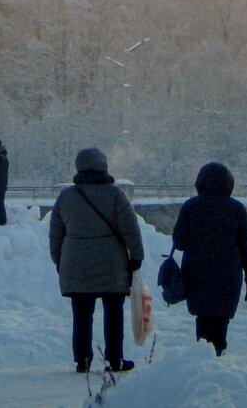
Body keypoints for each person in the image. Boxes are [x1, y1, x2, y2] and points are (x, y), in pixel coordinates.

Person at [49, 147, 144, 374]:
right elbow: (131, 229)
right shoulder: (115, 195)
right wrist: (136, 256)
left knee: (81, 313)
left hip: (76, 262)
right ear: (104, 166)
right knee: (114, 312)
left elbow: (56, 233)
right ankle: (115, 360)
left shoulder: (67, 197)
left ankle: (82, 359)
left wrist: (59, 260)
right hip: (112, 263)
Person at [172, 162, 247, 357]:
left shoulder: (191, 207)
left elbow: (179, 242)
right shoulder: (236, 209)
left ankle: (203, 359)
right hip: (227, 275)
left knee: (202, 318)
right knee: (220, 318)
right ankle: (218, 355)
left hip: (196, 273)